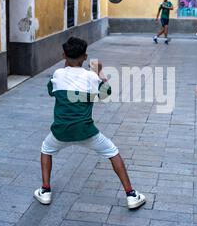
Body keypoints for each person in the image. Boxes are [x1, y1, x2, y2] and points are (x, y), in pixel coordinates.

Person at [34, 37, 146, 210]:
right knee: (113, 152)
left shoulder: (58, 74)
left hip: (60, 131)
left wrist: (66, 69)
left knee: (46, 150)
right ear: (85, 57)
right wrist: (99, 71)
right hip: (86, 131)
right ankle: (131, 195)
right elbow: (105, 93)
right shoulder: (90, 77)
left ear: (64, 55)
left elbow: (51, 90)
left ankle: (45, 190)